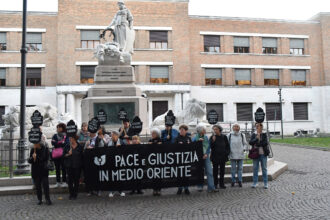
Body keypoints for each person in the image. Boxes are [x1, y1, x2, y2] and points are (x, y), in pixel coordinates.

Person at [193, 125, 218, 193]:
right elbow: (193, 147)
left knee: (209, 172)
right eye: (204, 130)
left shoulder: (206, 137)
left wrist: (206, 154)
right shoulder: (195, 138)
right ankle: (200, 186)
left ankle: (211, 187)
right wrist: (198, 141)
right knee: (200, 172)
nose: (205, 131)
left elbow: (208, 146)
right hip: (198, 157)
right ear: (200, 131)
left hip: (206, 157)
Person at [249, 123, 270, 189]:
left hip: (263, 154)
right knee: (255, 168)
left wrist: (257, 143)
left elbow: (265, 143)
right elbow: (250, 142)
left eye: (259, 126)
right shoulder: (253, 134)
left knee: (264, 169)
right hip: (255, 154)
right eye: (256, 126)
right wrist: (256, 138)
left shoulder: (264, 134)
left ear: (261, 127)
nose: (258, 127)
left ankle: (265, 183)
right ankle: (255, 183)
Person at [210, 125, 230, 189]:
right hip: (215, 156)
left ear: (219, 130)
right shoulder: (212, 137)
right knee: (215, 171)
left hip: (223, 156)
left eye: (216, 129)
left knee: (222, 171)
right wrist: (212, 141)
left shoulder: (224, 137)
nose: (215, 130)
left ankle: (222, 184)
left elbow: (227, 146)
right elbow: (210, 147)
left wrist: (226, 153)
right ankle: (215, 184)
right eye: (214, 129)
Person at [64, 135, 84, 200]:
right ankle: (71, 193)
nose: (70, 139)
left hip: (77, 166)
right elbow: (63, 155)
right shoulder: (67, 146)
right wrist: (68, 154)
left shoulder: (80, 146)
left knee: (76, 181)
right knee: (70, 181)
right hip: (69, 166)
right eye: (69, 138)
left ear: (75, 139)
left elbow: (82, 156)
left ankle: (75, 194)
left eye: (71, 138)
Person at [175, 124, 191, 195]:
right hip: (179, 159)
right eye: (180, 130)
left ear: (186, 131)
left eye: (182, 130)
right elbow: (173, 148)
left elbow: (192, 148)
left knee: (186, 174)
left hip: (187, 159)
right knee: (180, 174)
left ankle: (186, 188)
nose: (181, 131)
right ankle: (180, 188)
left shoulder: (188, 138)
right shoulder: (177, 138)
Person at [51, 123, 69, 188]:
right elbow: (53, 142)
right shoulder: (55, 135)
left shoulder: (66, 136)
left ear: (63, 128)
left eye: (59, 127)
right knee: (57, 168)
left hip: (63, 154)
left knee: (64, 168)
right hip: (56, 154)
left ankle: (64, 181)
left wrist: (57, 143)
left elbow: (66, 143)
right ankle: (58, 182)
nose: (58, 129)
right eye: (57, 127)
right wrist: (61, 142)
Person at [108, 131, 125, 197]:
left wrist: (120, 147)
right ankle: (112, 190)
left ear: (116, 135)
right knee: (112, 177)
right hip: (112, 162)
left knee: (119, 177)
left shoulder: (121, 142)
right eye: (111, 136)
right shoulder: (110, 142)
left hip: (120, 162)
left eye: (113, 135)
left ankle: (120, 190)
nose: (112, 137)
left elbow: (126, 150)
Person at [148, 128, 162, 196]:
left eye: (154, 133)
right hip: (152, 160)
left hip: (159, 160)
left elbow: (160, 146)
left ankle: (159, 189)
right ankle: (154, 189)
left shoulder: (160, 140)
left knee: (159, 175)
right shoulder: (150, 140)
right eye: (152, 133)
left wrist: (153, 143)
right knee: (153, 175)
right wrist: (155, 143)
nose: (152, 135)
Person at [84, 131, 98, 196]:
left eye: (90, 132)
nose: (88, 133)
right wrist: (86, 146)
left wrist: (93, 149)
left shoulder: (98, 139)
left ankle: (97, 190)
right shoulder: (88, 140)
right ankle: (90, 190)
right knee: (89, 176)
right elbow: (84, 150)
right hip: (89, 161)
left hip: (96, 160)